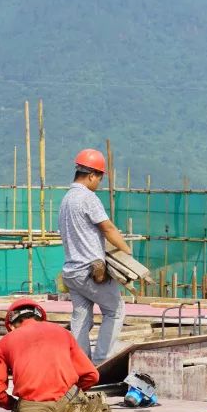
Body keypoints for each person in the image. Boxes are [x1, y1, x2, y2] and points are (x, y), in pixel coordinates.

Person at [0, 298, 129, 412]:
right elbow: (91, 375)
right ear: (40, 317)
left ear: (11, 326)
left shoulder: (3, 343)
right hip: (68, 411)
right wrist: (72, 393)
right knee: (100, 409)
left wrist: (15, 406)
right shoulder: (62, 333)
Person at [58, 148, 132, 363]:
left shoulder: (66, 200)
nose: (98, 184)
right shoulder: (87, 198)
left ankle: (81, 366)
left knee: (81, 318)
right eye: (99, 178)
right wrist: (127, 254)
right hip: (91, 272)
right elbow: (107, 228)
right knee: (115, 310)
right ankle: (101, 362)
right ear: (91, 175)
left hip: (71, 272)